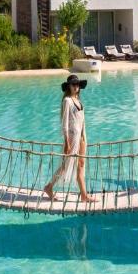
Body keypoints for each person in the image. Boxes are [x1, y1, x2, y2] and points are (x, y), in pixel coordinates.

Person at [43, 74, 96, 202]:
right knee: (66, 166)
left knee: (81, 165)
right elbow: (65, 124)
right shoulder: (67, 101)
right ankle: (49, 187)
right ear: (69, 86)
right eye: (73, 84)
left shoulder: (78, 100)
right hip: (72, 138)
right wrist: (67, 142)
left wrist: (85, 138)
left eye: (77, 84)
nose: (76, 86)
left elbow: (82, 122)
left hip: (81, 137)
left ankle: (84, 195)